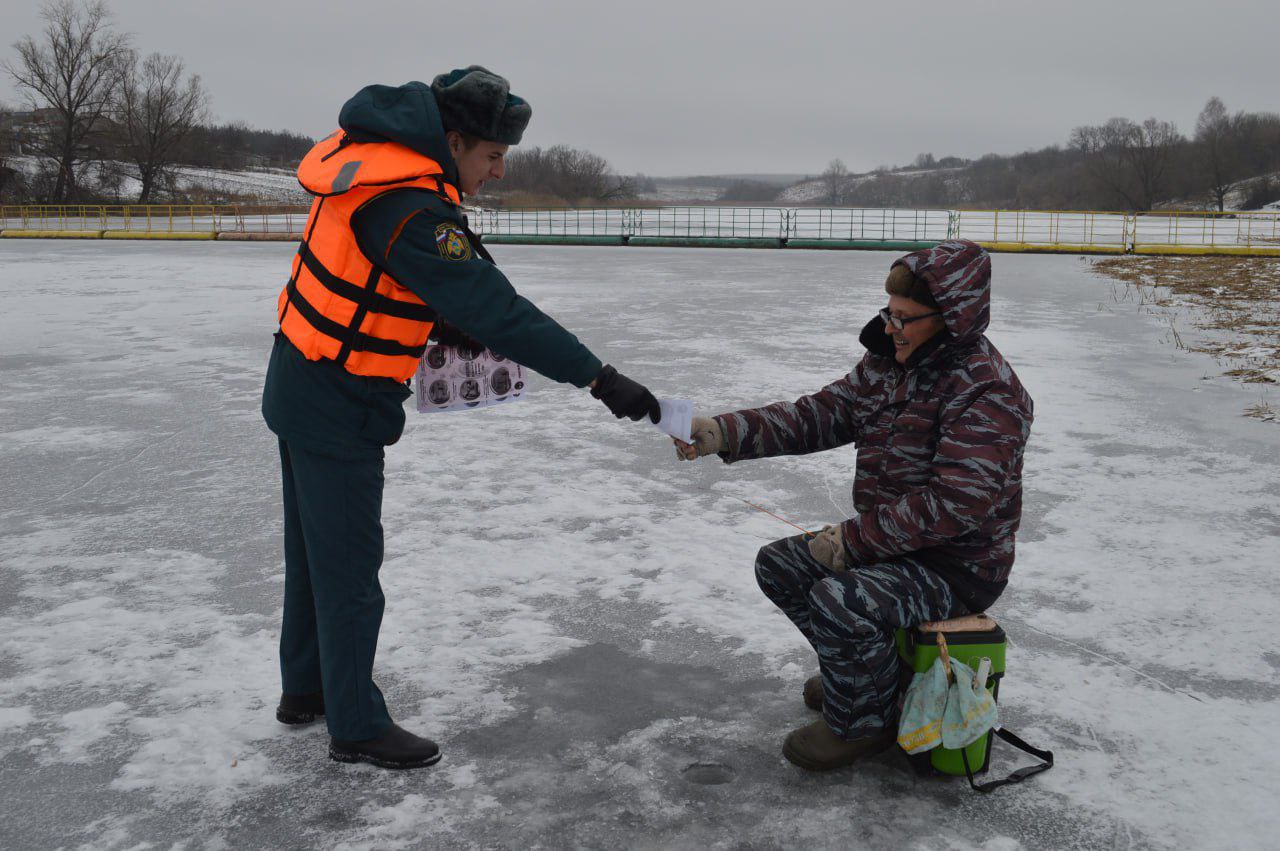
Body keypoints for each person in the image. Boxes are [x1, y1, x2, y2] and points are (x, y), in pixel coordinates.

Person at [262, 67, 661, 770]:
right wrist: (600, 377)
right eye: (491, 156)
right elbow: (499, 310)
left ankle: (308, 688)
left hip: (300, 376)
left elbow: (386, 272)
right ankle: (354, 722)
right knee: (349, 566)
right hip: (339, 400)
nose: (500, 170)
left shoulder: (376, 166)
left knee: (314, 555)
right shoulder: (412, 207)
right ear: (451, 141)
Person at [674, 240, 1032, 771]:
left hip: (956, 567)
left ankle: (863, 724)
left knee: (841, 599)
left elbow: (954, 505)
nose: (891, 327)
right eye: (889, 313)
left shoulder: (988, 391)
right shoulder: (887, 364)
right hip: (893, 545)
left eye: (906, 318)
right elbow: (819, 414)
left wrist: (854, 540)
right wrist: (724, 433)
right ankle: (868, 679)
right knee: (781, 566)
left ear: (952, 319)